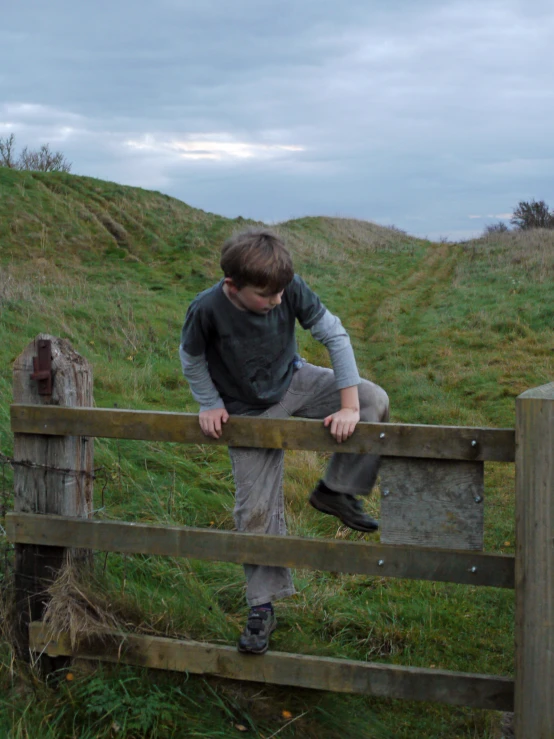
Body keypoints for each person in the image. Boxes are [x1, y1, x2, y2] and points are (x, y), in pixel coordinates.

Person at [179, 227, 389, 655]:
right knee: (253, 510)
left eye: (279, 293)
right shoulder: (206, 309)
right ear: (232, 286)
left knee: (373, 399)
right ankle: (261, 606)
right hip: (246, 411)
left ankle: (337, 491)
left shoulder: (286, 287)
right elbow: (192, 357)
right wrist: (209, 403)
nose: (276, 301)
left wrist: (348, 406)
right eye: (264, 295)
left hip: (295, 380)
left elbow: (334, 335)